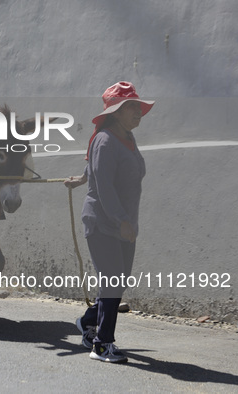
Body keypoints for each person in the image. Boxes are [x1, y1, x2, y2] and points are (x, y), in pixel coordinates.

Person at [64, 81, 154, 363]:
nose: (138, 112)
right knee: (112, 280)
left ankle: (87, 322)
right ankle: (102, 345)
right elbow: (103, 184)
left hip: (125, 223)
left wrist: (81, 177)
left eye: (139, 107)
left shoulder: (126, 136)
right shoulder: (105, 139)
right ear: (116, 112)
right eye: (131, 108)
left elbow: (96, 167)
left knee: (118, 282)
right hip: (104, 222)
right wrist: (121, 220)